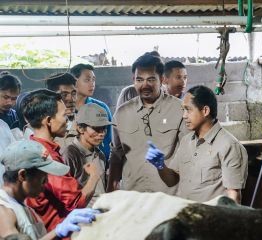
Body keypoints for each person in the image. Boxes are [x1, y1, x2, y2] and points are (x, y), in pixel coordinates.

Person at [145, 85, 248, 203]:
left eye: (188, 109)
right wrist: (160, 165)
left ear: (205, 111)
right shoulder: (186, 141)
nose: (184, 115)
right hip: (186, 216)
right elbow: (171, 181)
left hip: (211, 218)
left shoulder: (229, 146)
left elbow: (233, 197)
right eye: (183, 110)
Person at [21, 89, 102, 231]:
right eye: (64, 115)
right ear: (48, 121)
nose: (67, 119)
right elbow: (76, 203)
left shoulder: (31, 146)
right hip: (54, 232)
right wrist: (95, 176)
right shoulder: (47, 157)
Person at [107, 52, 186, 194]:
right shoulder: (122, 113)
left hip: (168, 195)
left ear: (162, 80)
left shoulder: (179, 110)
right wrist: (109, 193)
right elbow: (116, 156)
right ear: (133, 80)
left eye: (151, 80)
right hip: (133, 195)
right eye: (139, 80)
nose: (145, 85)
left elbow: (189, 154)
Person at [0, 140, 99, 240]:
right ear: (22, 175)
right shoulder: (4, 211)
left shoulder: (21, 204)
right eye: (43, 178)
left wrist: (57, 232)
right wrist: (58, 231)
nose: (46, 182)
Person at [62, 104, 110, 207]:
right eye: (97, 129)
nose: (102, 134)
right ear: (80, 128)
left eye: (104, 128)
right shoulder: (70, 155)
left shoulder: (100, 155)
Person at [71, 64, 112, 161]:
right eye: (87, 80)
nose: (92, 84)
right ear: (74, 82)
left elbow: (107, 141)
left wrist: (103, 162)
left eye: (93, 79)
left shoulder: (101, 107)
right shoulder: (64, 108)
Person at [45, 72, 78, 150]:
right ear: (51, 97)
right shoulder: (39, 127)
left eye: (73, 93)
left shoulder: (85, 125)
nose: (72, 99)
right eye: (64, 95)